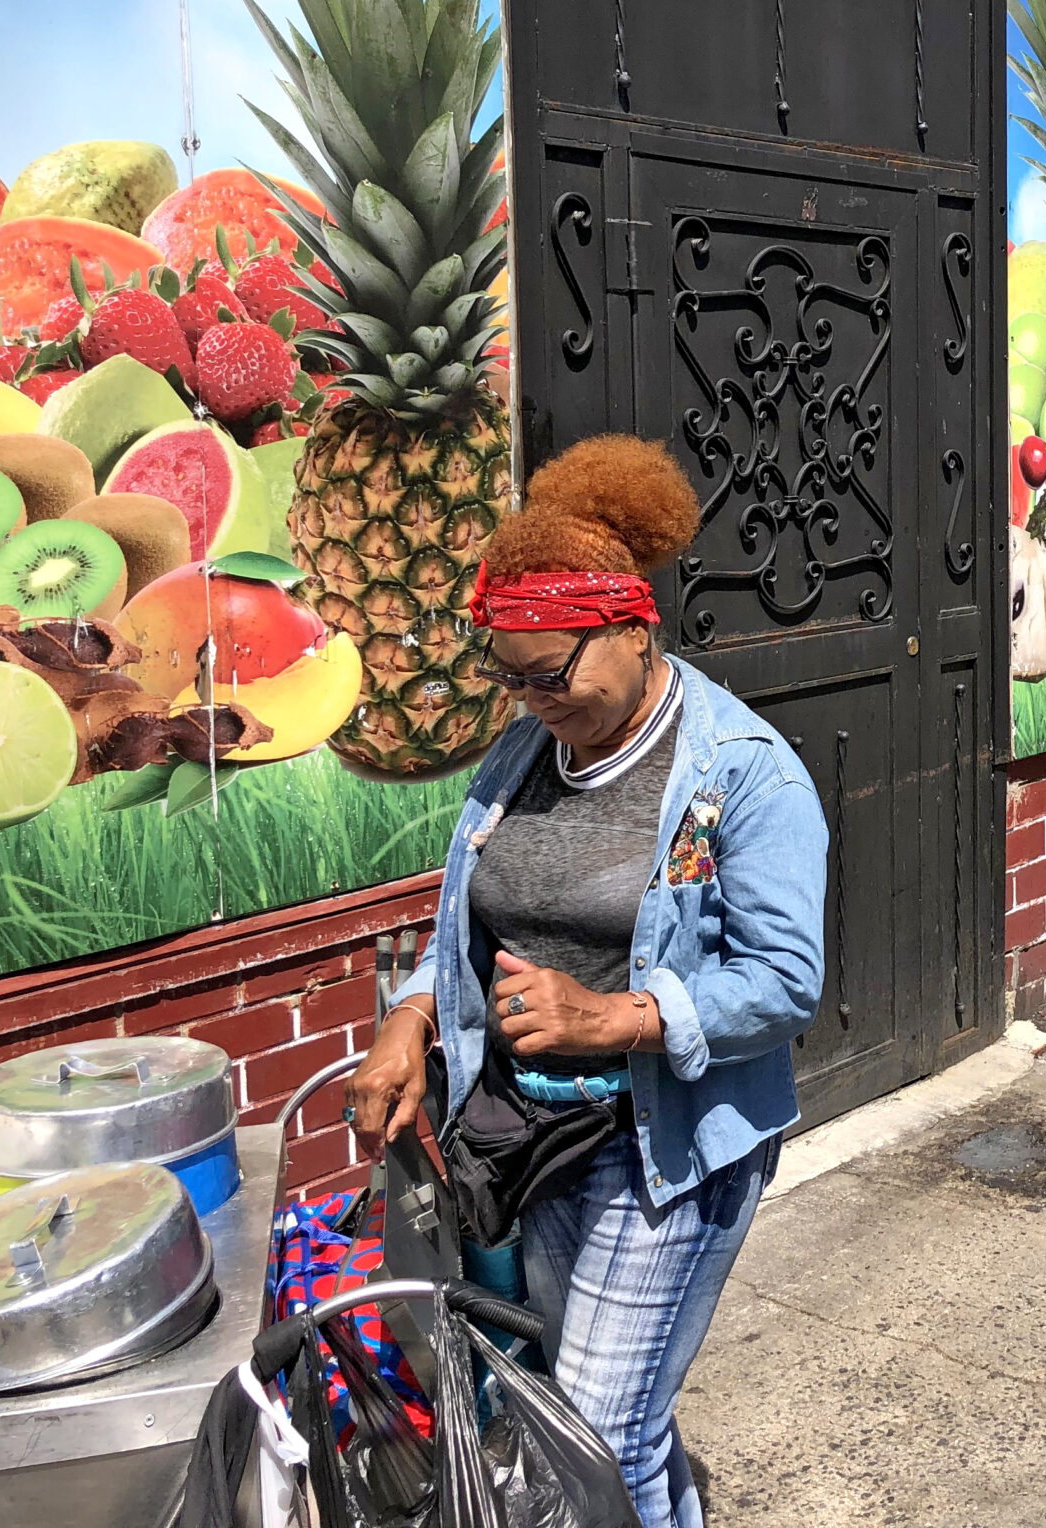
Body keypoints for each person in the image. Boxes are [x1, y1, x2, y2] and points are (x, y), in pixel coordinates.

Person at [343, 434, 828, 1528]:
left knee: (599, 1429)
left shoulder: (740, 774)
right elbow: (465, 927)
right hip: (530, 1135)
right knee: (595, 1418)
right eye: (505, 676)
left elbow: (787, 980)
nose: (528, 700)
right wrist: (410, 1017)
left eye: (550, 673)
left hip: (664, 1153)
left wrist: (615, 1015)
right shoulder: (518, 760)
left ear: (631, 624)